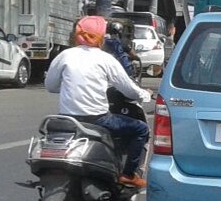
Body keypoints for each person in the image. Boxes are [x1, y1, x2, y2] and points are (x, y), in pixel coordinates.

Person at [46, 16, 152, 188]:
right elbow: (128, 89)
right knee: (141, 129)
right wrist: (144, 95)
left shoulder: (64, 56)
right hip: (98, 119)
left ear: (76, 34)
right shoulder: (106, 59)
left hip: (67, 120)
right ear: (101, 37)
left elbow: (50, 86)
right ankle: (128, 174)